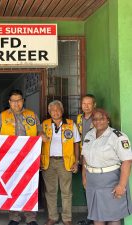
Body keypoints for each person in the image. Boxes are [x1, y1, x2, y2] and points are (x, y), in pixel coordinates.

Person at [0, 89, 43, 225]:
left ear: (23, 101)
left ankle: (30, 217)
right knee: (11, 186)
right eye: (13, 101)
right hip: (9, 158)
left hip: (29, 157)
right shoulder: (2, 116)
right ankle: (14, 217)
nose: (16, 103)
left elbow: (39, 129)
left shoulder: (32, 115)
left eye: (19, 100)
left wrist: (42, 134)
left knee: (30, 186)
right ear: (9, 102)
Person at [81, 108, 132, 225]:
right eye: (95, 119)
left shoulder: (118, 137)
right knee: (97, 215)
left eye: (101, 119)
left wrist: (121, 185)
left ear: (107, 120)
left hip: (111, 181)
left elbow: (127, 161)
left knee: (113, 216)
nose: (98, 121)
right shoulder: (89, 134)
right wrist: (84, 176)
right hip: (93, 181)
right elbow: (85, 157)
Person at [41, 100, 80, 225]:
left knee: (66, 191)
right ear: (49, 112)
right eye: (52, 110)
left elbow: (76, 143)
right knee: (50, 191)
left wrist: (76, 162)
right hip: (48, 162)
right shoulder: (44, 124)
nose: (55, 112)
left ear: (62, 111)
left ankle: (67, 218)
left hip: (65, 162)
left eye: (57, 109)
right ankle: (53, 217)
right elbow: (38, 143)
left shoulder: (70, 124)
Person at [76, 94, 96, 225]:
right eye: (84, 103)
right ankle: (91, 216)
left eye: (89, 104)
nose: (86, 106)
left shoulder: (99, 117)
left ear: (94, 105)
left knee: (96, 187)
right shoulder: (79, 118)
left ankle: (97, 217)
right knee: (86, 186)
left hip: (96, 156)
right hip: (84, 156)